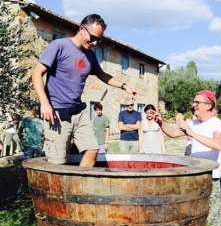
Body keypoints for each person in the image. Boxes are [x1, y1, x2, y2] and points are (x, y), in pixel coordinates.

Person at [32, 13, 140, 167]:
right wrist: (44, 103)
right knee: (58, 163)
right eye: (93, 37)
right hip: (57, 113)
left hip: (79, 111)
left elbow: (102, 74)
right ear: (81, 29)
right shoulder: (59, 46)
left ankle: (76, 188)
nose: (95, 43)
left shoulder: (90, 55)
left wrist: (124, 86)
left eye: (99, 39)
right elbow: (37, 73)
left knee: (93, 149)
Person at [153, 90, 221, 226]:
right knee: (195, 215)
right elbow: (172, 133)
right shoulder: (194, 124)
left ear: (208, 105)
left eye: (197, 102)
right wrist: (160, 122)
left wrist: (192, 134)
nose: (193, 105)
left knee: (213, 216)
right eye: (194, 102)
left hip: (210, 178)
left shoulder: (217, 124)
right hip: (194, 178)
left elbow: (217, 145)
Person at [16, 108, 44, 196]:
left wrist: (23, 142)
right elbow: (44, 133)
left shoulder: (27, 120)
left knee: (26, 167)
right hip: (35, 146)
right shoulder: (39, 121)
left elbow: (20, 132)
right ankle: (28, 187)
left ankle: (24, 188)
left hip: (31, 147)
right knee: (35, 167)